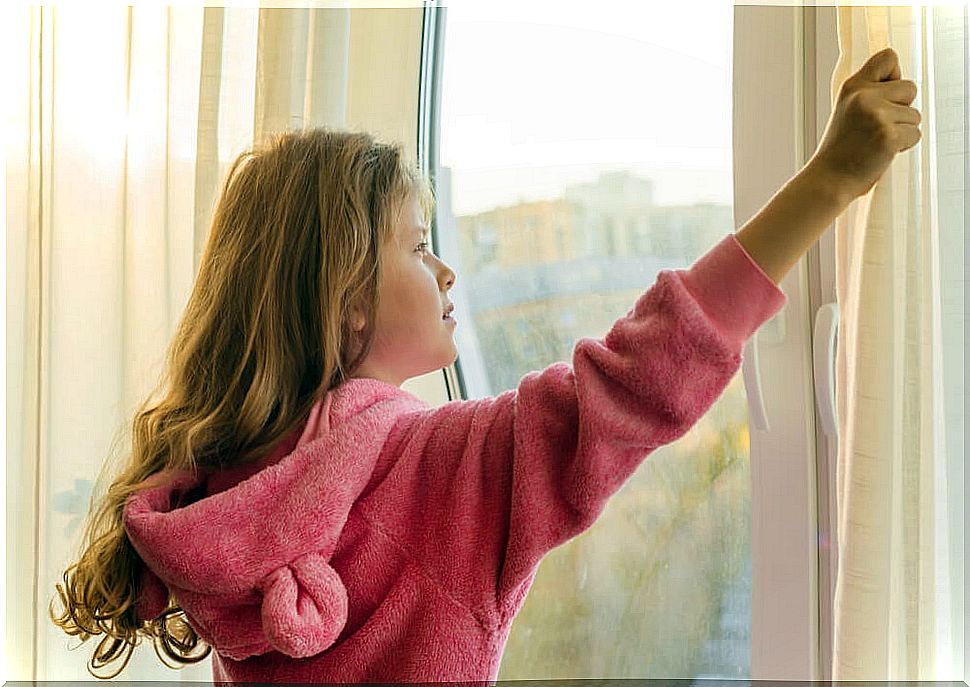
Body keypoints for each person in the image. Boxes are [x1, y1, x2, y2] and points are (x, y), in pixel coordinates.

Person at [51, 46, 920, 682]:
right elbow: (631, 383)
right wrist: (827, 185)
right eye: (421, 244)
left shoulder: (226, 496)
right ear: (348, 295)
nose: (447, 270)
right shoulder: (438, 476)